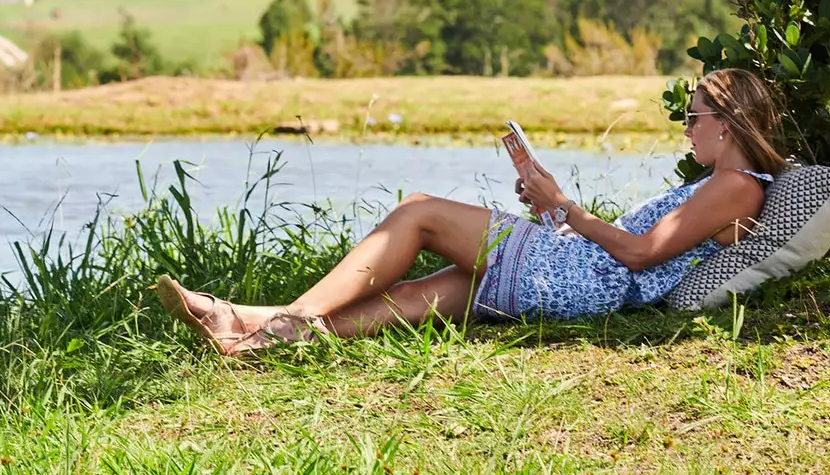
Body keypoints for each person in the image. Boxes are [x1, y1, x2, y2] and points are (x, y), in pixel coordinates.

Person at [157, 68, 786, 355]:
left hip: (579, 280)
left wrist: (563, 206)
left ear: (727, 125)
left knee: (418, 212)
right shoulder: (724, 184)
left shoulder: (737, 186)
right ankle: (246, 332)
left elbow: (644, 254)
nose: (686, 128)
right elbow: (636, 248)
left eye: (695, 117)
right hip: (579, 273)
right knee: (424, 294)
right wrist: (554, 209)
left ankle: (283, 319)